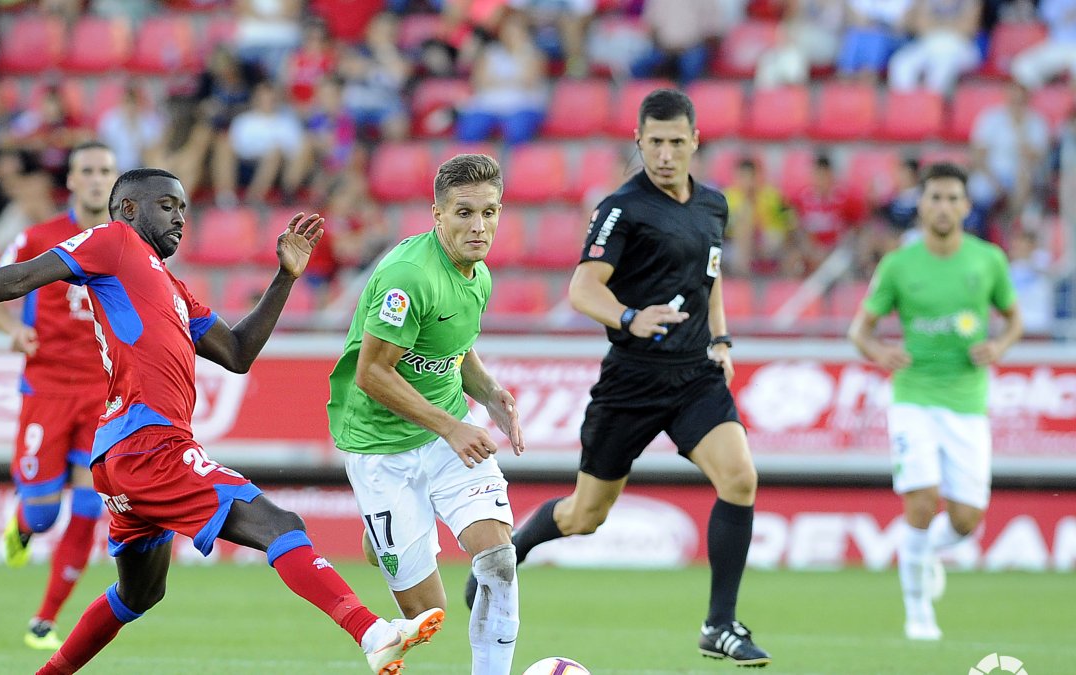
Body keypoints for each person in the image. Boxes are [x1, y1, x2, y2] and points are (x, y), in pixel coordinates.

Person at [0, 168, 443, 675]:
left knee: (139, 594)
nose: (181, 217)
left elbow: (238, 352)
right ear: (128, 209)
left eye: (184, 209)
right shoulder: (114, 242)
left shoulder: (172, 289)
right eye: (167, 206)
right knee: (281, 525)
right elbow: (21, 279)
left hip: (125, 456)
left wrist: (284, 277)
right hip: (147, 442)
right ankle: (370, 631)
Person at [466, 88, 772, 667]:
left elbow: (711, 278)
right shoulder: (622, 208)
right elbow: (583, 288)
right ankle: (508, 555)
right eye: (654, 142)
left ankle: (720, 624)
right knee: (585, 515)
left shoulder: (712, 205)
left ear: (695, 142)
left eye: (676, 142)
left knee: (740, 479)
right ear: (639, 141)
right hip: (630, 383)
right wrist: (631, 317)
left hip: (693, 378)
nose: (664, 153)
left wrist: (721, 338)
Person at [327, 154, 525, 675]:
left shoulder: (478, 275)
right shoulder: (407, 277)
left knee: (499, 562)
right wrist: (451, 426)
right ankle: (379, 536)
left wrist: (490, 393)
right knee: (426, 614)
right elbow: (372, 373)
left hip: (446, 437)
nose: (478, 226)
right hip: (380, 446)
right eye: (464, 213)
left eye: (489, 212)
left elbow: (454, 351)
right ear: (437, 214)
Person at [848, 162, 1022, 641]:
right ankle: (918, 615)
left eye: (952, 199)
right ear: (920, 205)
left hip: (967, 401)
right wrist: (880, 352)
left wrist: (1000, 347)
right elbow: (859, 330)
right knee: (921, 502)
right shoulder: (900, 264)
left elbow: (1014, 319)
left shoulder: (988, 260)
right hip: (913, 396)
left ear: (966, 207)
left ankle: (924, 559)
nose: (943, 207)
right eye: (934, 198)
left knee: (966, 520)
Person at [0, 141, 117, 651]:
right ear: (73, 182)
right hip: (47, 389)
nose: (98, 178)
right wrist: (12, 329)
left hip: (104, 395)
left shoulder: (128, 243)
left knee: (88, 502)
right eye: (89, 170)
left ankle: (44, 619)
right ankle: (23, 526)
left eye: (107, 170)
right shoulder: (37, 239)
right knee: (42, 513)